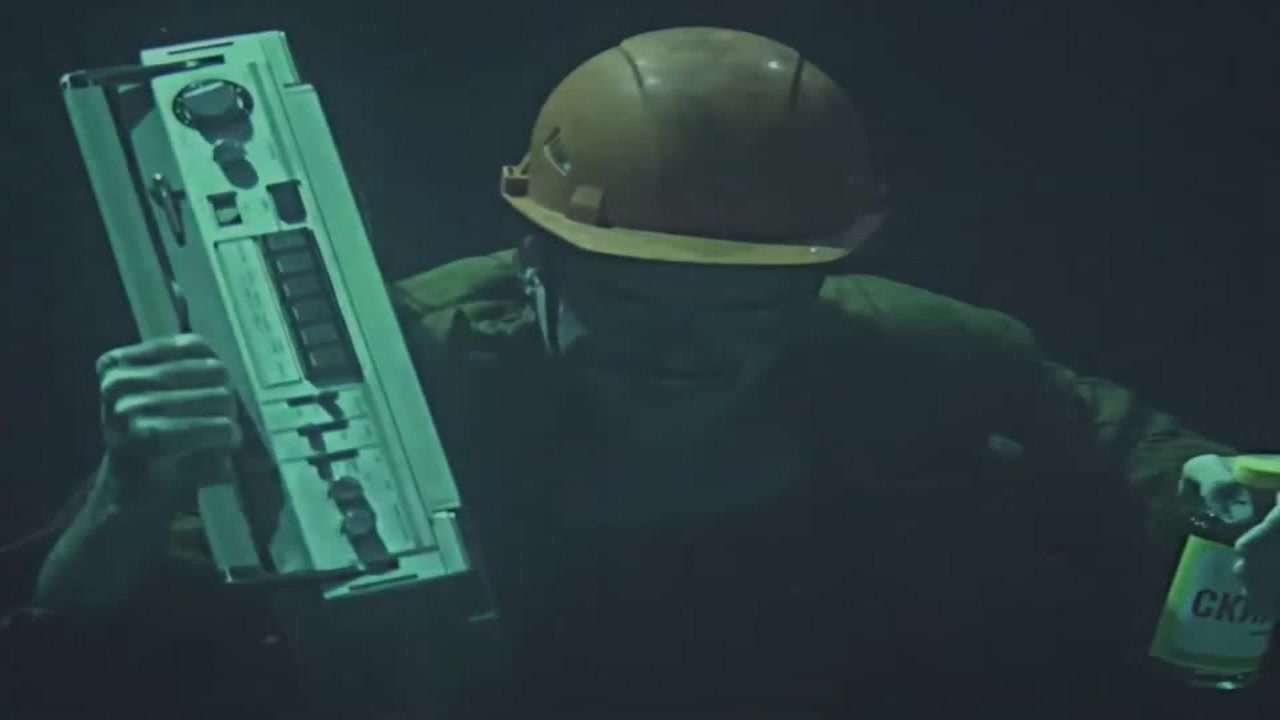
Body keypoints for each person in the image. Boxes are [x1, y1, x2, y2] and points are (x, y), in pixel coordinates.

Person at [24, 26, 1280, 717]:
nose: (687, 352)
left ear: (817, 281)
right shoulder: (372, 392)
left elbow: (1190, 484)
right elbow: (67, 667)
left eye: (746, 309)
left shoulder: (928, 355)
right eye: (630, 302)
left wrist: (1240, 510)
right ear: (536, 255)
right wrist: (129, 498)